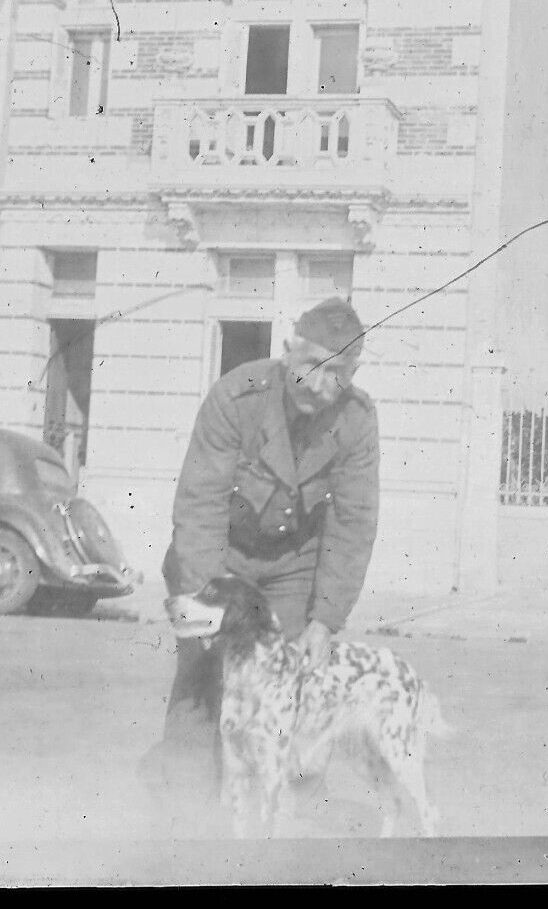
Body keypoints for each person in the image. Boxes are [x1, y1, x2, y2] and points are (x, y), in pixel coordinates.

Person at [141, 297, 381, 832]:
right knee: (204, 675)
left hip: (292, 565)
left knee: (291, 681)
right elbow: (200, 504)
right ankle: (181, 813)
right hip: (218, 558)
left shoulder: (357, 422)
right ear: (289, 349)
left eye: (339, 373)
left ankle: (289, 819)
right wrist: (205, 602)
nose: (323, 384)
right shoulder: (237, 396)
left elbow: (354, 523)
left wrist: (326, 620)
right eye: (314, 365)